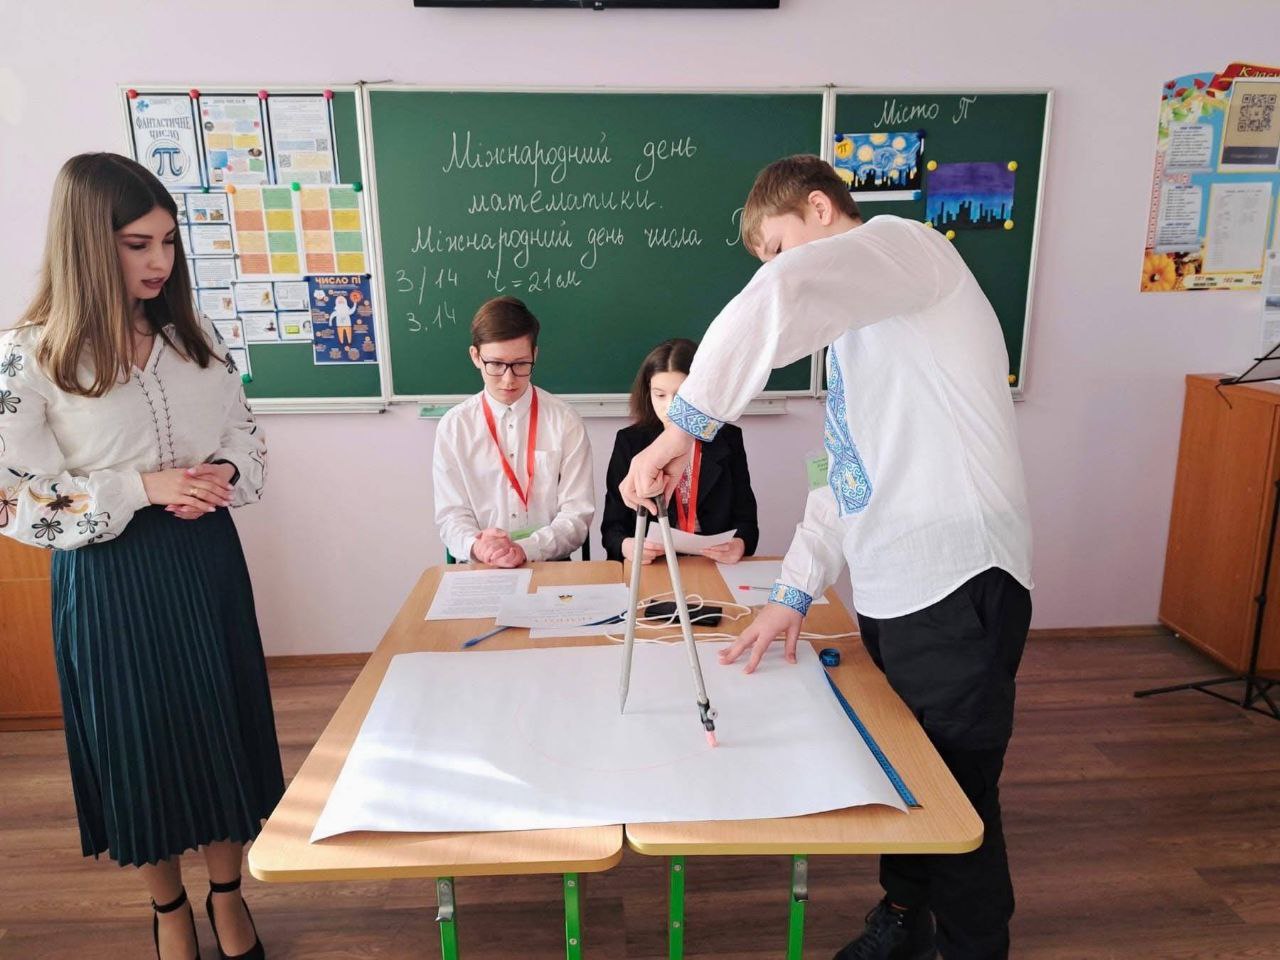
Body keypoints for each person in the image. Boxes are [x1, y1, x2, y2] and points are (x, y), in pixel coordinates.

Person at [620, 154, 1033, 960]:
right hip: (895, 591)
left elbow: (781, 293)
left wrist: (678, 433)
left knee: (958, 800)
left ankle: (974, 949)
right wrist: (793, 593)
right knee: (910, 775)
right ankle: (905, 920)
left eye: (776, 246)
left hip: (958, 579)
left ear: (818, 208)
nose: (773, 270)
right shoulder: (861, 331)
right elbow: (845, 475)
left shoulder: (908, 248)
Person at [0, 153, 281, 959]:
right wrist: (140, 488)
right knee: (139, 744)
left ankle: (228, 894)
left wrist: (224, 472)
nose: (160, 261)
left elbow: (247, 434)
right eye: (137, 244)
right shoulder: (30, 355)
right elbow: (13, 499)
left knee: (221, 727)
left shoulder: (196, 336)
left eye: (167, 241)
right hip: (109, 577)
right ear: (88, 244)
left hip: (205, 559)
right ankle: (168, 907)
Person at [433, 296, 593, 566]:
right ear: (475, 356)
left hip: (548, 563)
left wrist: (527, 548)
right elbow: (451, 516)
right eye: (496, 364)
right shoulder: (455, 426)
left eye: (520, 364)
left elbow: (577, 515)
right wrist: (478, 546)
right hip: (482, 566)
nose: (508, 379)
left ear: (535, 355)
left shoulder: (565, 421)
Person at [601, 337, 758, 564]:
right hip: (656, 564)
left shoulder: (728, 439)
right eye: (660, 395)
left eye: (681, 396)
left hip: (711, 563)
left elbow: (747, 522)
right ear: (648, 393)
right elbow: (612, 529)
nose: (671, 407)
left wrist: (739, 544)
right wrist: (628, 546)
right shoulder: (630, 442)